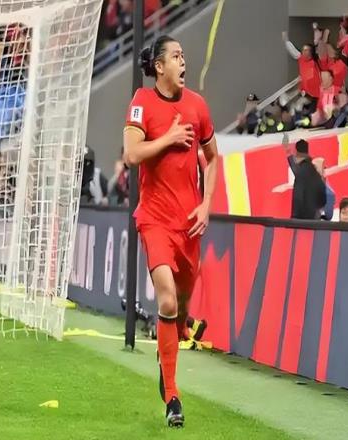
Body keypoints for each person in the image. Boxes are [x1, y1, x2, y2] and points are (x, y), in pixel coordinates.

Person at [123, 35, 218, 428]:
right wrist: (168, 139)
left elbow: (212, 157)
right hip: (155, 219)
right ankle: (173, 396)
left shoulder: (197, 106)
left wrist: (207, 203)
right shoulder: (142, 101)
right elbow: (131, 154)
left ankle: (169, 351)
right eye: (176, 56)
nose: (184, 62)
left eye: (184, 56)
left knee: (180, 306)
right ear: (159, 66)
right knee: (165, 299)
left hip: (189, 223)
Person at [286, 138, 326, 220]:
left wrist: (294, 218)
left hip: (303, 220)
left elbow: (298, 198)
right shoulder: (314, 172)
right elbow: (322, 200)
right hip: (314, 218)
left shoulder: (301, 173)